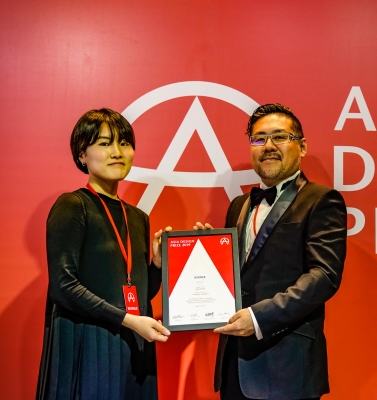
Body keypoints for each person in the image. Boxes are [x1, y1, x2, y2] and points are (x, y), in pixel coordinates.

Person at [197, 103, 347, 400]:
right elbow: (237, 275)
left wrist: (258, 317)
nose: (268, 146)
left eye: (280, 137)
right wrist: (206, 257)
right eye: (259, 138)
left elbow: (324, 276)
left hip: (286, 367)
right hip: (234, 366)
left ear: (302, 147)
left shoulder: (321, 200)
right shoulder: (239, 205)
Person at [36, 108, 171, 400]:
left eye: (124, 143)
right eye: (104, 143)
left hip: (132, 344)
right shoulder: (73, 205)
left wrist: (157, 266)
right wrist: (128, 320)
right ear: (82, 155)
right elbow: (63, 286)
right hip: (89, 343)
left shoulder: (138, 217)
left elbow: (139, 294)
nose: (117, 152)